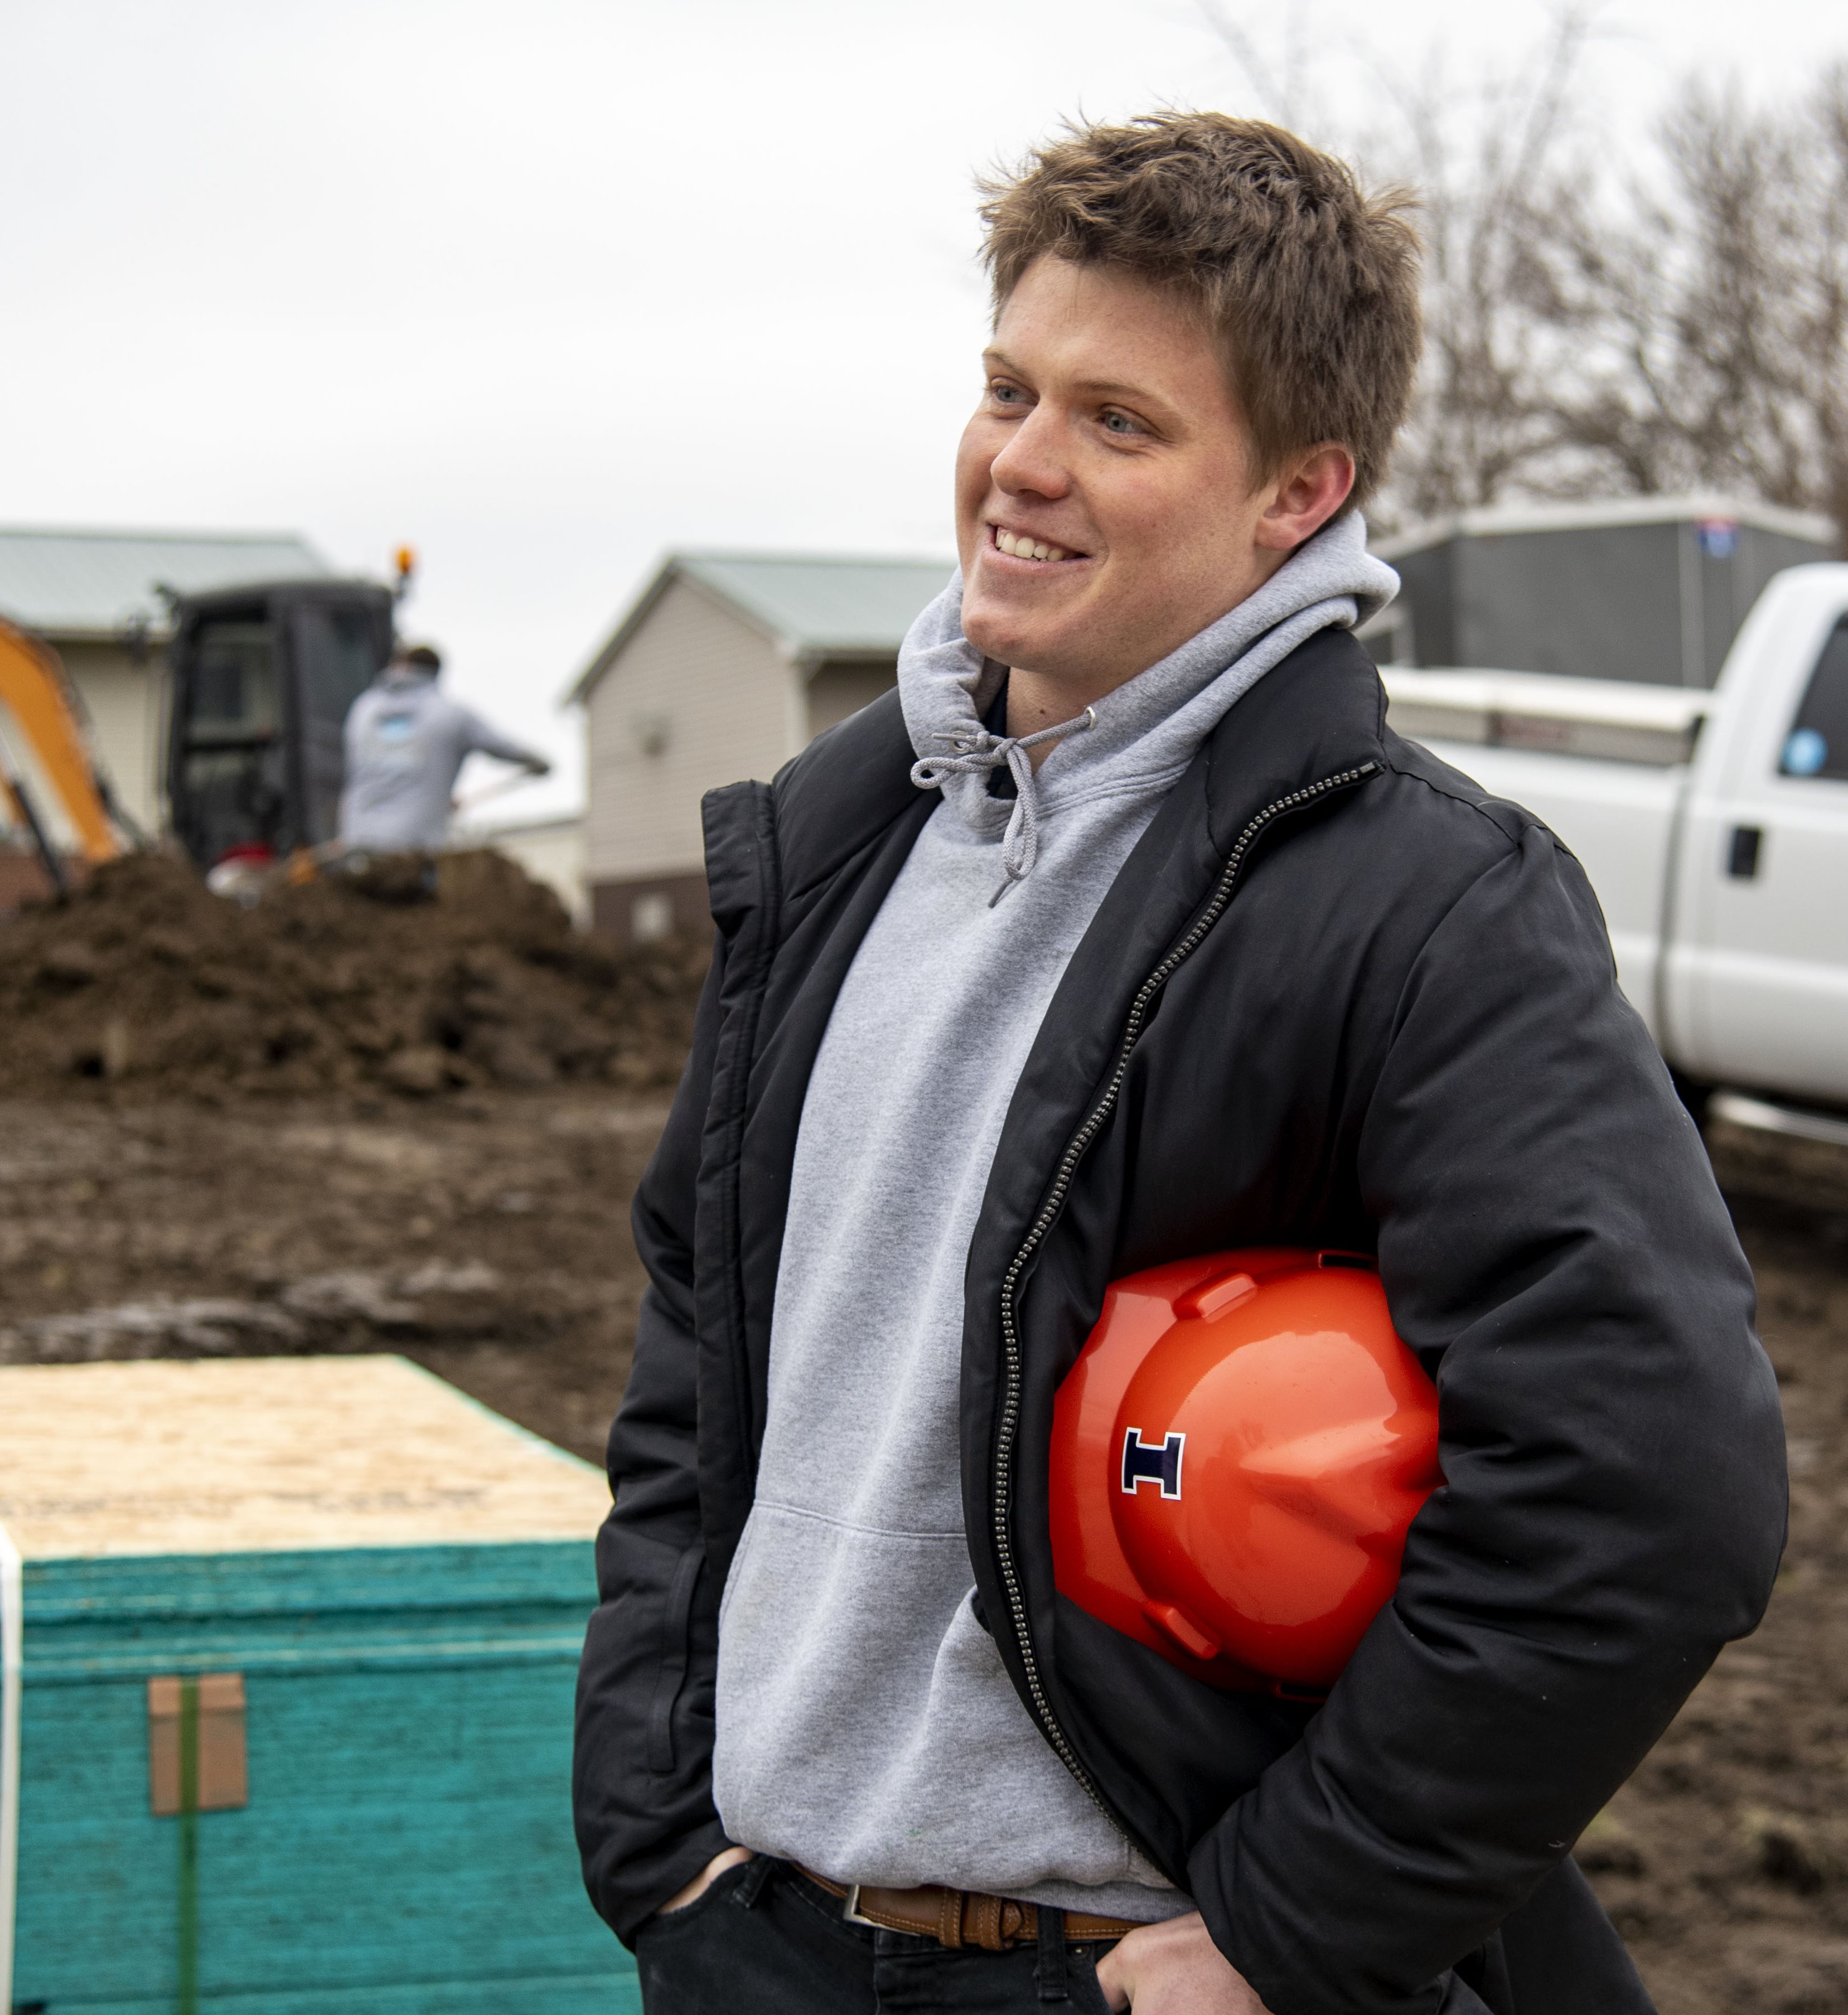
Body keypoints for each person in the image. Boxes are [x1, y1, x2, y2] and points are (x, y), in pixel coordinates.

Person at [573, 114, 1786, 2015]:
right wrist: (663, 1832)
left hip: (1115, 1972)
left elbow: (1651, 1475)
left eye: (1118, 424)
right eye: (1005, 389)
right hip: (761, 1942)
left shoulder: (1422, 905)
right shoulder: (827, 849)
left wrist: (1290, 1930)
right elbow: (696, 1367)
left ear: (1300, 493)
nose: (1021, 465)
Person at [337, 642, 549, 855]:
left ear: (399, 666)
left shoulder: (364, 709)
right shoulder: (451, 713)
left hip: (358, 836)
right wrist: (539, 762)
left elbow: (373, 768)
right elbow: (502, 746)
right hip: (416, 843)